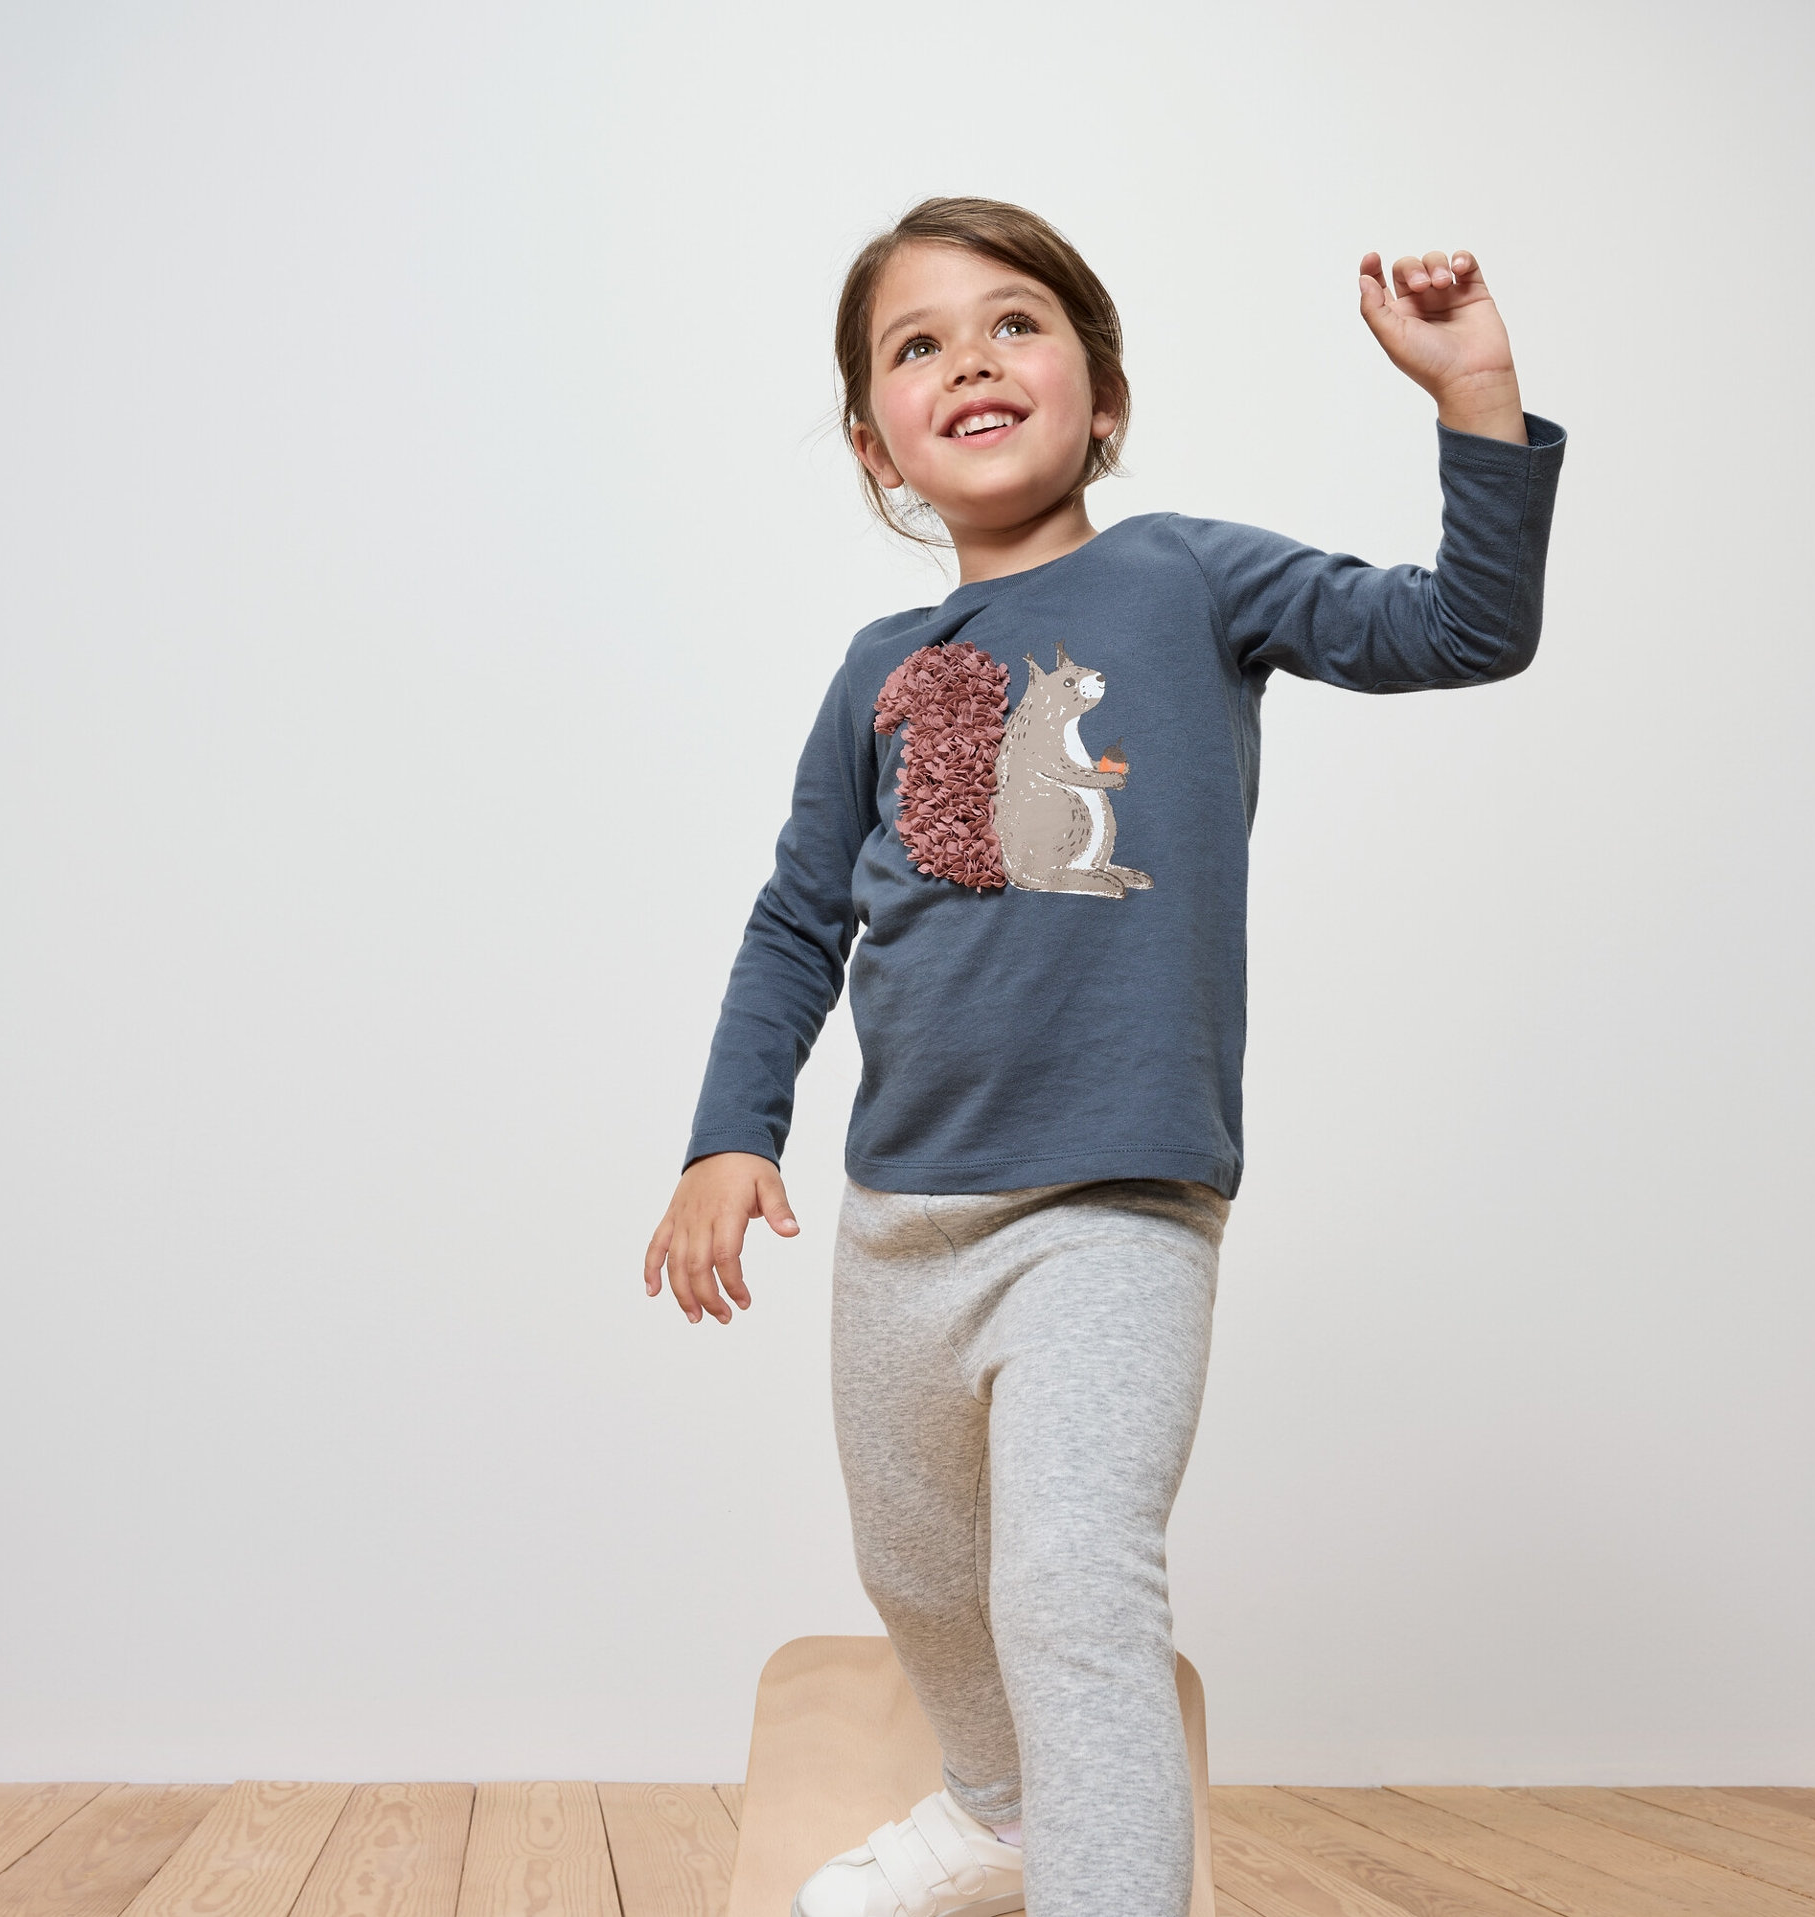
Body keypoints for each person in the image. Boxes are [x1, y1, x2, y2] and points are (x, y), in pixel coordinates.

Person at [644, 197, 1565, 1917]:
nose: (969, 362)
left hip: (1115, 1203)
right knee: (918, 1574)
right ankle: (994, 1809)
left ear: (1103, 396)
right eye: (917, 346)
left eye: (1013, 325)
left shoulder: (1186, 577)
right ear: (876, 446)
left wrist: (1474, 395)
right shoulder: (876, 670)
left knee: (1070, 1584)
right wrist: (727, 1130)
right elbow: (795, 922)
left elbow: (1460, 629)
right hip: (899, 1211)